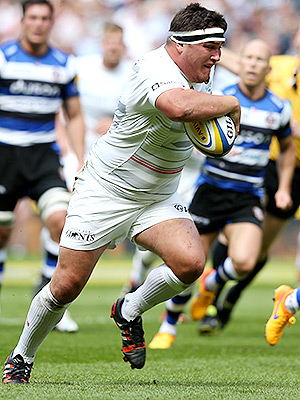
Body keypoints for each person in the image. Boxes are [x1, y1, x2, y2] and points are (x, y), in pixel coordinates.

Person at [2, 3, 241, 383]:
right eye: (210, 46)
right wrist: (231, 104)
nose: (217, 55)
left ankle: (129, 308)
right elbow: (177, 107)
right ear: (180, 45)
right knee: (66, 286)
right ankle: (21, 355)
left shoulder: (201, 72)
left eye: (220, 46)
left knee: (191, 263)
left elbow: (200, 128)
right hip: (107, 190)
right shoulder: (153, 68)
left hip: (158, 194)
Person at [148, 38, 295, 349]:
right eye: (248, 58)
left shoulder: (279, 109)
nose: (253, 64)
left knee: (244, 262)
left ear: (269, 69)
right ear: (241, 64)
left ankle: (211, 284)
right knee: (188, 265)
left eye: (259, 60)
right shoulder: (220, 98)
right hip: (211, 190)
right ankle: (169, 325)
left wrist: (283, 188)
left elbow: (286, 150)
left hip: (247, 195)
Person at [197, 25, 300, 334]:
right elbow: (243, 63)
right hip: (271, 162)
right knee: (237, 236)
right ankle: (213, 300)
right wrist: (203, 44)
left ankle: (230, 299)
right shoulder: (280, 66)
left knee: (261, 250)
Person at [0, 0, 85, 334]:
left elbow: (74, 115)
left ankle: (49, 299)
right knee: (3, 233)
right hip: (4, 155)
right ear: (22, 21)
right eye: (32, 17)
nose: (38, 24)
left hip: (43, 156)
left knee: (60, 222)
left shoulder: (64, 64)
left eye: (44, 18)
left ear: (52, 22)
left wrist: (79, 160)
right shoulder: (4, 59)